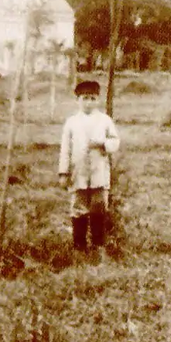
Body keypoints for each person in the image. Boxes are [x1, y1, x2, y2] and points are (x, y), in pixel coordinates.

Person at [58, 80, 122, 254]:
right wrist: (63, 172)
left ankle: (98, 246)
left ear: (98, 100)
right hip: (78, 173)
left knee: (98, 207)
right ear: (77, 100)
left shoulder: (104, 120)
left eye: (92, 98)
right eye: (85, 98)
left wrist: (102, 143)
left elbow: (115, 141)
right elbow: (65, 148)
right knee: (78, 207)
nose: (89, 102)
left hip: (99, 172)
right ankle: (79, 246)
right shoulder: (71, 122)